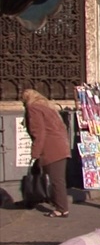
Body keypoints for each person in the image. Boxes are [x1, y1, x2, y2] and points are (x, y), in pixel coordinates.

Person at [21, 89, 71, 218]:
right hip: (61, 146)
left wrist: (35, 153)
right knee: (56, 178)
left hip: (50, 149)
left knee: (56, 180)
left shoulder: (33, 108)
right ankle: (56, 204)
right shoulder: (48, 108)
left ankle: (61, 208)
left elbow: (39, 132)